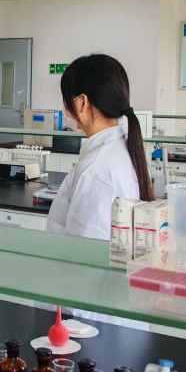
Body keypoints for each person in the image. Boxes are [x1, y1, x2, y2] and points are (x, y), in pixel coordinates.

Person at [46, 53, 154, 239]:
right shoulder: (124, 151)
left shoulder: (94, 171)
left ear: (82, 102)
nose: (66, 112)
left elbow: (82, 249)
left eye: (67, 103)